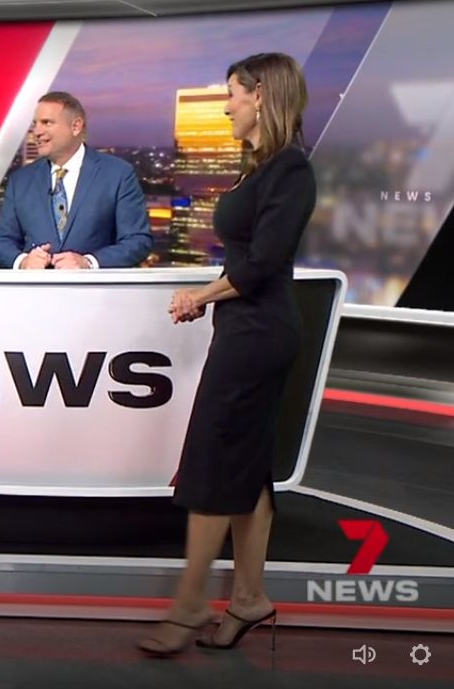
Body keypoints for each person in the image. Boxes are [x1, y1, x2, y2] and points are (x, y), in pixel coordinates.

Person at [138, 53, 317, 657]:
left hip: (260, 334)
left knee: (214, 460)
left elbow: (262, 264)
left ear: (260, 95)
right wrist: (211, 299)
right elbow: (245, 261)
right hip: (243, 327)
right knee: (247, 466)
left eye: (233, 94)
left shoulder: (290, 169)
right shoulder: (257, 168)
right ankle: (248, 598)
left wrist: (201, 295)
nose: (226, 106)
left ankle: (190, 603)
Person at [0, 92, 152, 271]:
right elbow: (1, 242)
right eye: (35, 124)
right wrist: (23, 261)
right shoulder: (20, 180)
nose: (36, 132)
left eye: (47, 122)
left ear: (75, 127)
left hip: (94, 287)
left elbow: (138, 240)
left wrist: (88, 262)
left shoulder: (117, 174)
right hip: (37, 287)